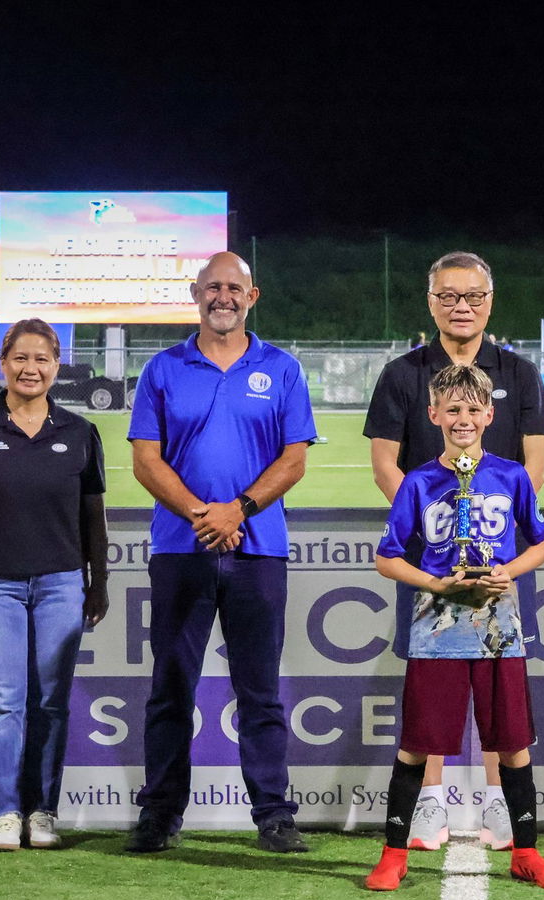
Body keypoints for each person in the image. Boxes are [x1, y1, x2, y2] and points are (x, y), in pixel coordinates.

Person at [363, 251, 544, 851]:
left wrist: (484, 541)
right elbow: (384, 465)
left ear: (490, 301)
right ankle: (430, 806)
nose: (461, 306)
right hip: (429, 561)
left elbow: (534, 465)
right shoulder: (402, 373)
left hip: (497, 559)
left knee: (500, 691)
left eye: (471, 295)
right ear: (431, 302)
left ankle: (501, 805)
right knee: (434, 685)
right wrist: (433, 534)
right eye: (448, 296)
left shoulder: (519, 372)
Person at [125, 252, 317, 854]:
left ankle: (274, 815)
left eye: (234, 288)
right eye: (213, 287)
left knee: (259, 688)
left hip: (258, 548)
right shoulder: (162, 368)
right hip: (181, 548)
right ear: (196, 293)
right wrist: (202, 514)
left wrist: (240, 510)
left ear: (252, 296)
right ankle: (160, 814)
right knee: (170, 687)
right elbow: (145, 460)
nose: (223, 297)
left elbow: (294, 460)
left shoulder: (282, 369)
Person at [0, 319, 109, 852]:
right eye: (20, 358)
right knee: (3, 702)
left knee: (52, 702)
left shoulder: (79, 432)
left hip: (61, 583)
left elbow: (93, 516)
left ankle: (43, 812)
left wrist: (96, 582)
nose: (30, 368)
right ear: (3, 363)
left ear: (57, 367)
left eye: (41, 359)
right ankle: (4, 814)